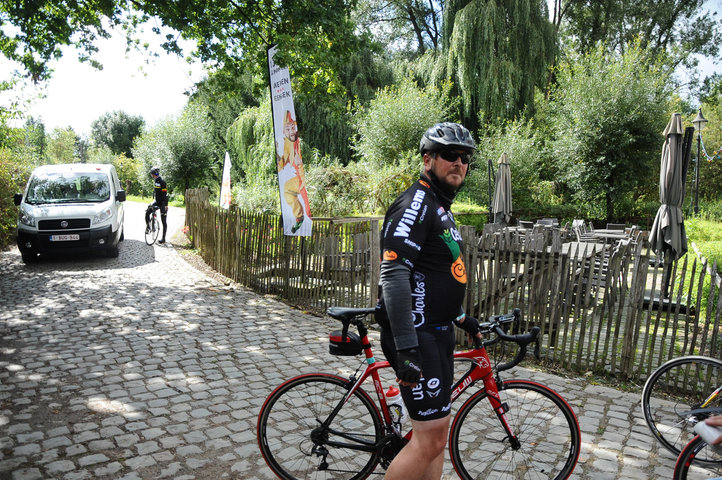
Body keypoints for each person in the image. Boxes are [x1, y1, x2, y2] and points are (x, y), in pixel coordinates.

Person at [375, 122, 482, 480]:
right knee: (428, 440)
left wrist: (462, 316)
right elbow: (393, 275)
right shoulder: (416, 203)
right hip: (417, 337)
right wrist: (406, 348)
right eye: (450, 155)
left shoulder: (439, 205)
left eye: (465, 158)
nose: (459, 163)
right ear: (428, 160)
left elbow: (438, 272)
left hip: (437, 334)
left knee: (436, 438)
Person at [276, 110, 311, 233]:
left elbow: (298, 161)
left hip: (301, 177)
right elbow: (284, 160)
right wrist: (278, 159)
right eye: (288, 129)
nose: (291, 131)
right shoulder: (287, 142)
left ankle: (301, 217)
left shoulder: (295, 142)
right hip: (298, 176)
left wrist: (300, 165)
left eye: (293, 128)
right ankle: (299, 216)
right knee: (287, 189)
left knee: (292, 192)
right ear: (284, 132)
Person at [145, 166, 168, 244]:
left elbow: (165, 194)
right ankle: (149, 227)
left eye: (152, 174)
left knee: (163, 220)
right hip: (157, 201)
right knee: (147, 212)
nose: (152, 176)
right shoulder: (155, 181)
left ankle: (163, 238)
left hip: (163, 203)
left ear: (155, 174)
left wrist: (166, 205)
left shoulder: (162, 182)